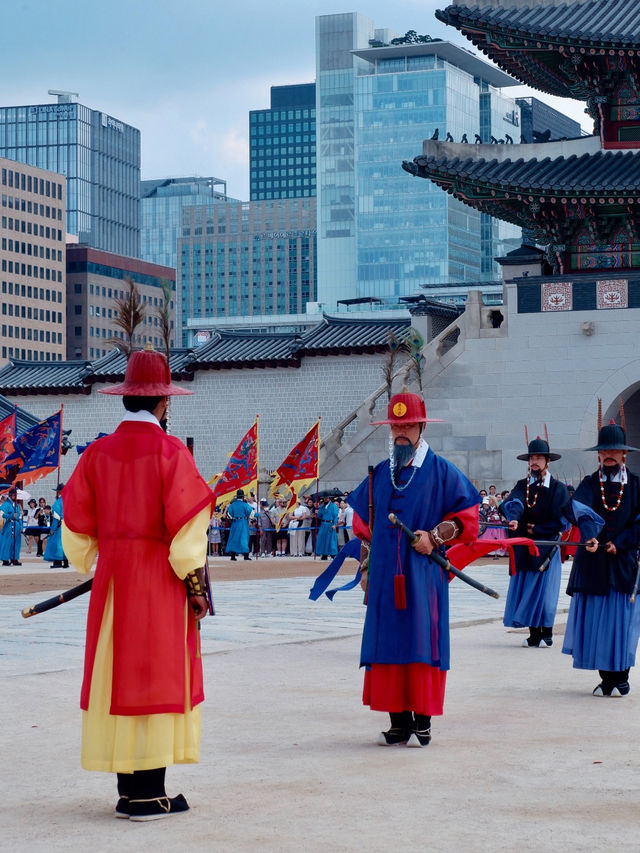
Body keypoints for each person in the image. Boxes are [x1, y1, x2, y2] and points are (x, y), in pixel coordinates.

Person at [60, 346, 214, 821]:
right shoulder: (172, 453)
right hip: (158, 582)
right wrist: (195, 585)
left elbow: (76, 533)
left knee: (118, 677)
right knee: (156, 677)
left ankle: (129, 790)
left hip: (113, 586)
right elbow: (189, 539)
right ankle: (150, 793)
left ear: (125, 398)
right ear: (165, 403)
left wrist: (100, 556)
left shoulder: (96, 454)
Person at [347, 392, 479, 747]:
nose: (401, 432)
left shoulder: (442, 471)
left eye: (407, 425)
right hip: (384, 579)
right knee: (388, 642)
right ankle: (398, 721)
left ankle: (423, 720)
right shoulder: (379, 475)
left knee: (423, 639)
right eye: (395, 426)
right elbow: (364, 526)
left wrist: (435, 537)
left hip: (423, 577)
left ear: (422, 426)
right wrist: (364, 568)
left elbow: (468, 518)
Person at [563, 416, 640, 697]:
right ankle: (606, 678)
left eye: (613, 450)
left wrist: (618, 544)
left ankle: (621, 676)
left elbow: (639, 523)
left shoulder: (636, 485)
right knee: (596, 622)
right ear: (599, 454)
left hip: (623, 563)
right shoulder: (589, 483)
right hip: (593, 559)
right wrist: (590, 536)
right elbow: (577, 510)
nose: (608, 455)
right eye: (603, 451)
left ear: (623, 453)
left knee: (622, 623)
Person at [502, 437, 572, 648]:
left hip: (547, 545)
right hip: (525, 545)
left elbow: (562, 519)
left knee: (546, 592)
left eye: (539, 457)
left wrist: (538, 529)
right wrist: (514, 518)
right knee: (527, 588)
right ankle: (534, 634)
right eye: (532, 457)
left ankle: (547, 633)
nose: (534, 461)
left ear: (547, 461)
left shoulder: (558, 488)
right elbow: (513, 503)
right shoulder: (522, 485)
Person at [44, 483, 69, 569]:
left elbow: (55, 515)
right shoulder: (69, 501)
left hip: (58, 525)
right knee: (65, 543)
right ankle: (65, 562)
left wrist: (54, 527)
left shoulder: (58, 502)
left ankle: (58, 561)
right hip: (66, 525)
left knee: (57, 543)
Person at [225, 489, 253, 561]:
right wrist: (256, 516)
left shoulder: (233, 505)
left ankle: (233, 556)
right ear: (243, 497)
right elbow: (251, 513)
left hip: (235, 523)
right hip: (243, 522)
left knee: (234, 538)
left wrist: (231, 519)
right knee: (244, 538)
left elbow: (227, 514)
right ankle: (246, 555)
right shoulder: (245, 505)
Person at [0, 486, 22, 566]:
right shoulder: (5, 504)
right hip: (9, 525)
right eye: (13, 495)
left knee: (16, 543)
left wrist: (21, 526)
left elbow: (19, 516)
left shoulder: (16, 505)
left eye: (16, 495)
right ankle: (5, 559)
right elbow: (2, 514)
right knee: (7, 542)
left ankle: (14, 558)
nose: (15, 497)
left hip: (16, 525)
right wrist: (12, 515)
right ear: (10, 495)